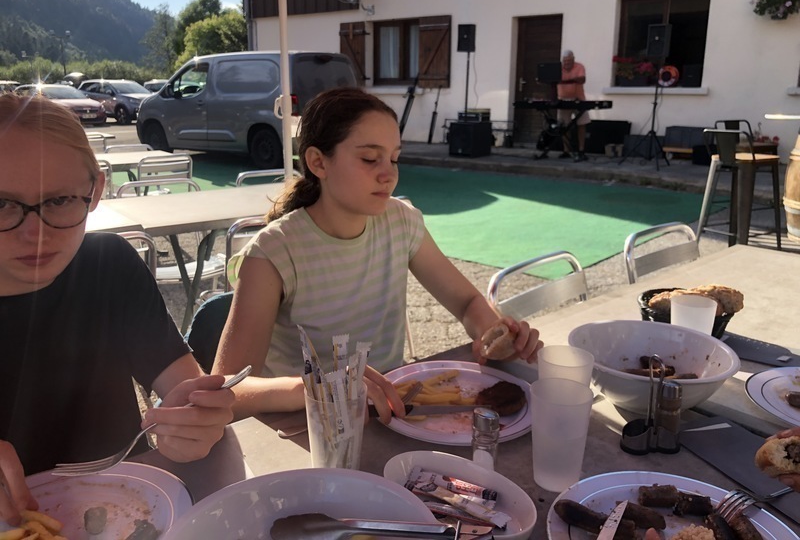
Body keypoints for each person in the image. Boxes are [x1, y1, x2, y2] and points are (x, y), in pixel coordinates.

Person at [212, 87, 543, 422]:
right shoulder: (274, 252)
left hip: (391, 417)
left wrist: (492, 335)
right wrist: (326, 387)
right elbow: (227, 389)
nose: (389, 174)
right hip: (305, 429)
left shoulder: (401, 222)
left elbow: (467, 302)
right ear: (318, 162)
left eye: (394, 158)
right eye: (370, 159)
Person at [0, 93, 235, 525]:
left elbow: (184, 387)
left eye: (59, 201)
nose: (36, 234)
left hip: (133, 510)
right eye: (2, 204)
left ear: (95, 192)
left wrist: (196, 418)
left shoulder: (108, 265)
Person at [557, 49, 590, 162]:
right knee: (564, 125)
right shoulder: (558, 68)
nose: (567, 63)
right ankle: (566, 150)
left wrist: (567, 80)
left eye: (569, 61)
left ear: (573, 59)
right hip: (563, 99)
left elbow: (582, 79)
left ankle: (581, 150)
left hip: (578, 99)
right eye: (565, 61)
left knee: (582, 123)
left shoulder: (579, 67)